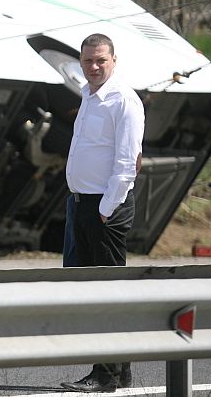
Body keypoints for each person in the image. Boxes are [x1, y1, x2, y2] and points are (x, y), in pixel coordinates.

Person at [60, 33, 144, 393]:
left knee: (107, 292)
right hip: (83, 203)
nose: (93, 67)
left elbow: (128, 162)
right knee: (93, 290)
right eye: (88, 61)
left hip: (104, 208)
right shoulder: (88, 95)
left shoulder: (123, 99)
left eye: (100, 61)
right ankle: (116, 371)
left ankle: (106, 374)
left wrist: (107, 209)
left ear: (114, 60)